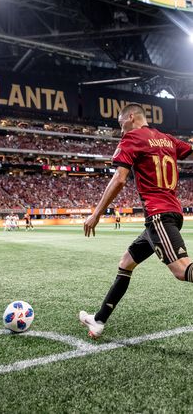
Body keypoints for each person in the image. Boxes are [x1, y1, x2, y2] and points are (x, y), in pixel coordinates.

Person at [79, 103, 193, 338]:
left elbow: (120, 180)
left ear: (131, 117)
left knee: (182, 271)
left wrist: (96, 214)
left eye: (121, 125)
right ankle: (99, 320)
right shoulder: (167, 139)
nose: (121, 132)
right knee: (126, 262)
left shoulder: (132, 139)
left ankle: (99, 320)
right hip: (170, 213)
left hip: (159, 215)